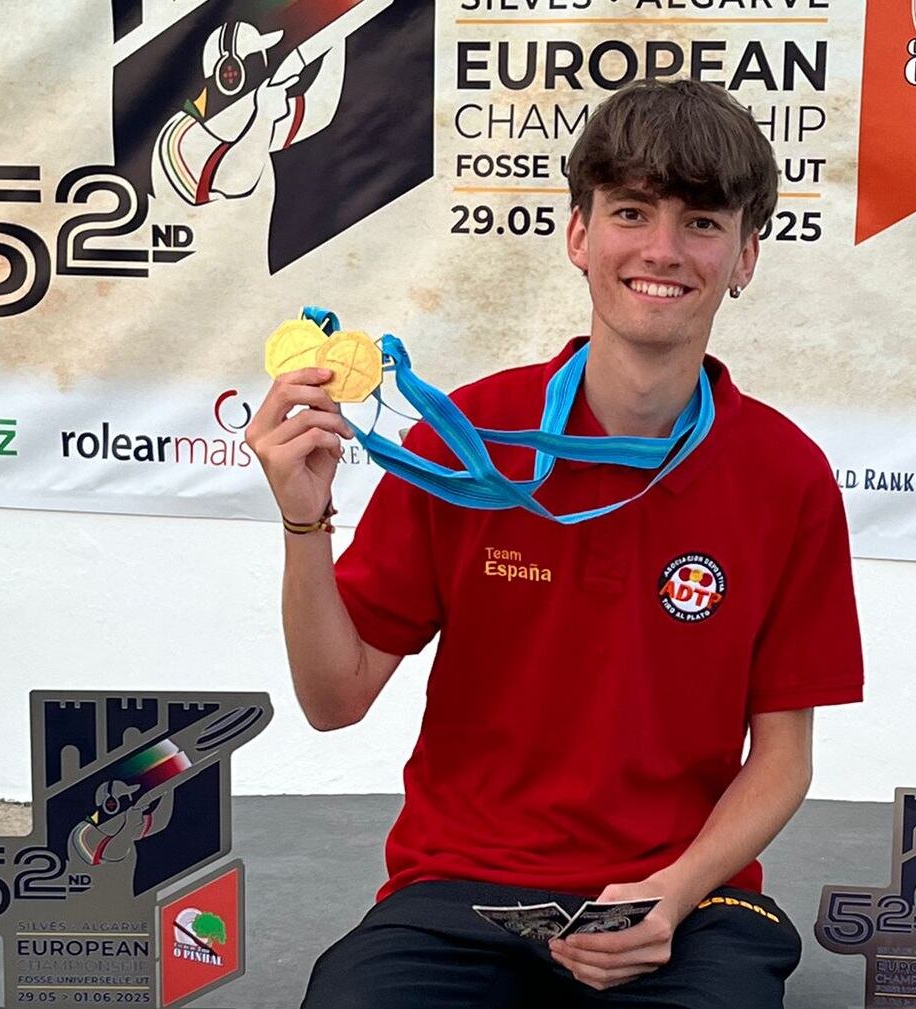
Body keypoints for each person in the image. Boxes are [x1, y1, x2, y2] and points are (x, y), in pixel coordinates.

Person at [245, 78, 864, 1008]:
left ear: (745, 256)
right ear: (579, 236)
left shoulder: (786, 474)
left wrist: (673, 889)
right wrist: (303, 524)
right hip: (464, 893)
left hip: (686, 903)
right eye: (629, 212)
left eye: (701, 222)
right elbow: (334, 700)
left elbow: (783, 758)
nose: (660, 249)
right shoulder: (467, 439)